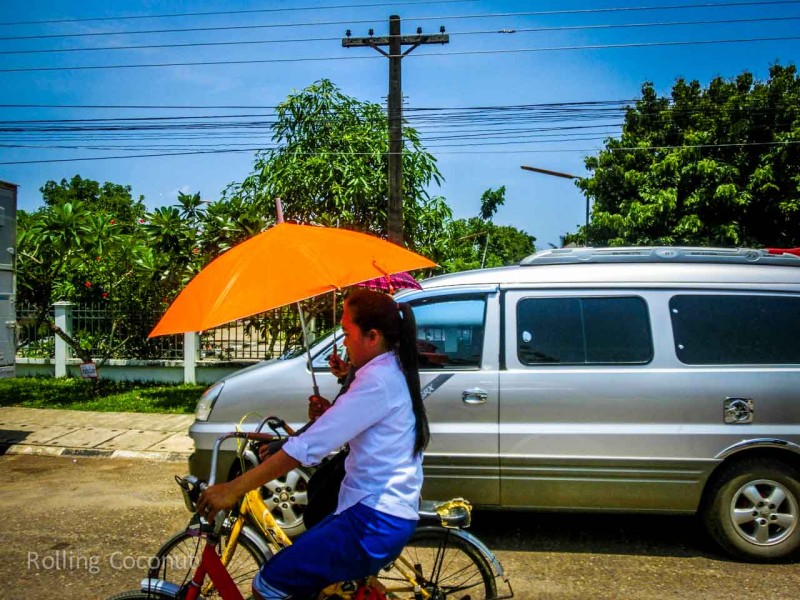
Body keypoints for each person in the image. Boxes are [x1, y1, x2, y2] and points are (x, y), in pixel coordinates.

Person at [197, 288, 430, 599]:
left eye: (347, 332)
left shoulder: (377, 380)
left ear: (372, 337)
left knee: (267, 583)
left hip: (373, 520)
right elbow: (346, 422)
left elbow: (307, 447)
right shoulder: (386, 369)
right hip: (376, 514)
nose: (344, 341)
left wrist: (232, 489)